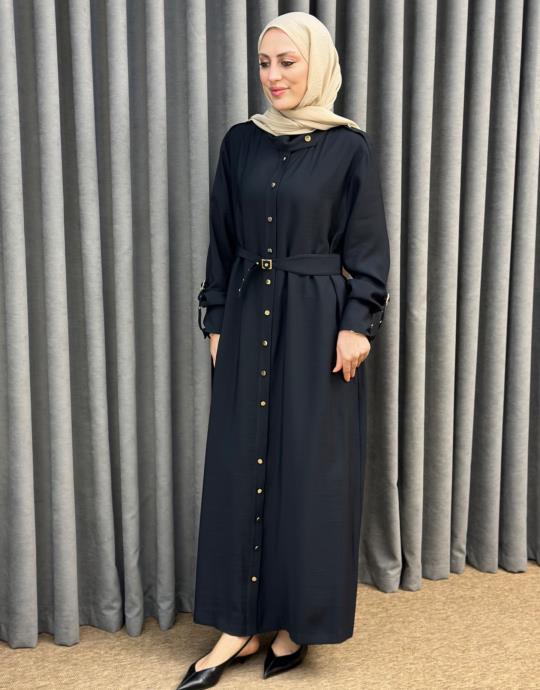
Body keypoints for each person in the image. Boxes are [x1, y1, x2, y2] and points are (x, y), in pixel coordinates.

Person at [177, 10, 390, 689]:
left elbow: (367, 247)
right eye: (265, 63)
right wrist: (216, 318)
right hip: (246, 318)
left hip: (318, 325)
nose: (273, 76)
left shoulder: (347, 148)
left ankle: (298, 622)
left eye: (287, 62)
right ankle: (239, 625)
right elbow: (221, 239)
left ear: (315, 64)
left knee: (309, 473)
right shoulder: (241, 142)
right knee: (241, 467)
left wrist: (357, 324)